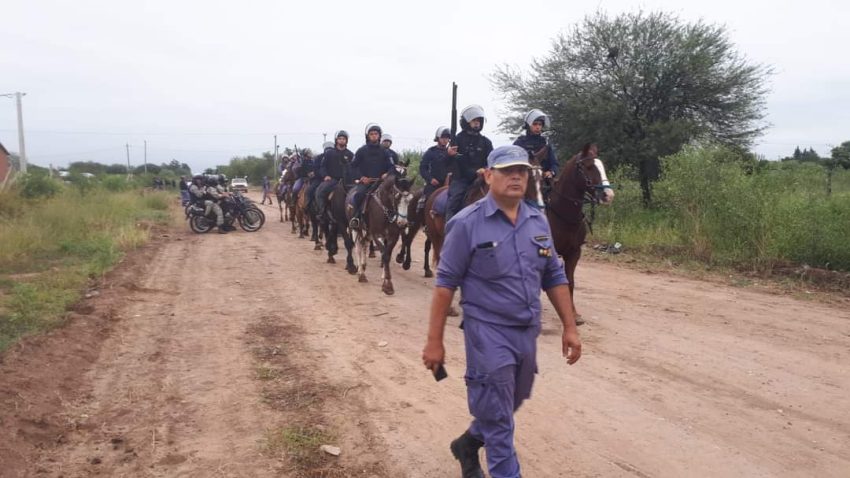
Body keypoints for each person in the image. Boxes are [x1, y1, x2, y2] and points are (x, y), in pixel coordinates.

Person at [421, 145, 582, 478]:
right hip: (486, 331)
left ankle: (468, 443)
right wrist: (434, 342)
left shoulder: (537, 219)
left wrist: (570, 326)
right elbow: (445, 285)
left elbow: (553, 274)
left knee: (513, 399)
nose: (515, 177)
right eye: (507, 170)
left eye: (521, 171)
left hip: (526, 331)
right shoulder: (466, 223)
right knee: (498, 419)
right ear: (488, 175)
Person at [446, 105, 493, 221]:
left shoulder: (486, 142)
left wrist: (487, 170)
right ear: (466, 122)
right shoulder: (457, 140)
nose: (477, 123)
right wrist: (449, 155)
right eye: (474, 120)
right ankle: (449, 228)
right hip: (461, 179)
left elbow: (492, 160)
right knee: (454, 201)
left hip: (483, 178)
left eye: (478, 121)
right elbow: (455, 162)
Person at [349, 123, 395, 228]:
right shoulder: (361, 151)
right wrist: (361, 177)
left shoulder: (385, 151)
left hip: (381, 182)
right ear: (368, 136)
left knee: (395, 196)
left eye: (376, 134)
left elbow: (392, 167)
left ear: (379, 136)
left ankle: (394, 218)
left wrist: (387, 174)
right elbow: (353, 167)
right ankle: (356, 218)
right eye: (371, 134)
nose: (374, 136)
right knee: (359, 195)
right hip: (366, 182)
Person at [316, 130, 354, 214]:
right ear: (336, 140)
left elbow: (355, 168)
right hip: (333, 180)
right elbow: (323, 167)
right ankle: (322, 212)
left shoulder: (350, 154)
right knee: (319, 191)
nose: (342, 140)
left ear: (346, 140)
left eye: (344, 139)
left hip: (347, 181)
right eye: (340, 138)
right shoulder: (329, 153)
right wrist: (325, 175)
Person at [513, 109, 559, 178]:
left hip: (544, 180)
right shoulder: (519, 143)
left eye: (540, 124)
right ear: (528, 125)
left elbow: (554, 163)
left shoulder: (545, 143)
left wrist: (551, 172)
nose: (538, 127)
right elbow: (512, 163)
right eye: (534, 124)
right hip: (523, 178)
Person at [417, 126, 452, 213]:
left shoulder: (451, 152)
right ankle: (423, 222)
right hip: (434, 184)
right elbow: (423, 168)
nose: (445, 140)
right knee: (425, 203)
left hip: (450, 184)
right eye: (443, 137)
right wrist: (430, 179)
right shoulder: (430, 152)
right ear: (438, 138)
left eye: (447, 138)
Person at [306, 142, 333, 212]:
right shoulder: (319, 158)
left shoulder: (336, 156)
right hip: (320, 179)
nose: (329, 151)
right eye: (327, 149)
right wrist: (323, 176)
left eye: (330, 149)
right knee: (310, 190)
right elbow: (316, 169)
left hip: (334, 179)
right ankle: (309, 206)